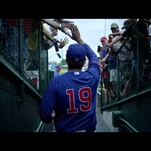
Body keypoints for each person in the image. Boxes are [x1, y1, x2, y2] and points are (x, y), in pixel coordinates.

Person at [39, 24, 100, 132]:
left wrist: (52, 117)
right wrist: (79, 39)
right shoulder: (92, 77)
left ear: (66, 60)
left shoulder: (56, 82)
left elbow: (44, 115)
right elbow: (93, 57)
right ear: (83, 62)